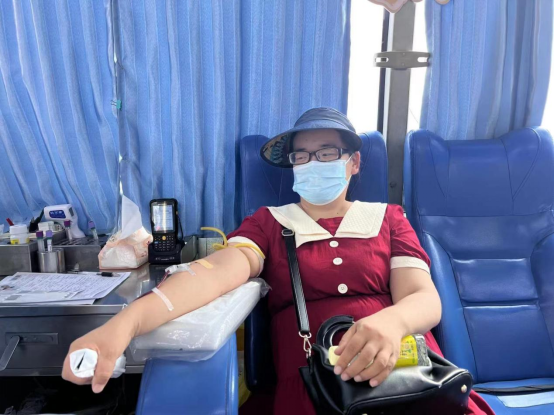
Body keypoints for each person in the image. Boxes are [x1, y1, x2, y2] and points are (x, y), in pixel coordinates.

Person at [62, 108, 494, 416]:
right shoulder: (270, 223)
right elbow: (212, 276)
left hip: (408, 372)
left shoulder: (388, 218)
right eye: (301, 156)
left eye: (326, 153)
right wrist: (126, 323)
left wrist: (391, 322)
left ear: (354, 162)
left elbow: (423, 299)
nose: (312, 164)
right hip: (313, 384)